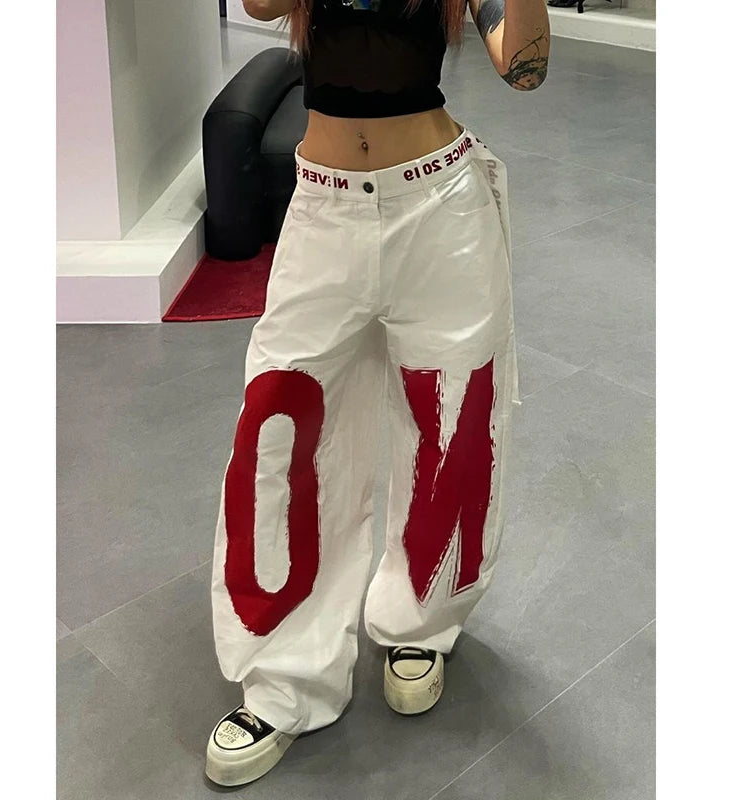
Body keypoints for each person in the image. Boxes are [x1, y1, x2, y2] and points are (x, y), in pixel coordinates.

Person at [205, 0, 549, 787]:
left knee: (454, 419)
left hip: (442, 205)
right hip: (325, 206)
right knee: (278, 425)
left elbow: (522, 66)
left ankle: (420, 622)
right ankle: (284, 676)